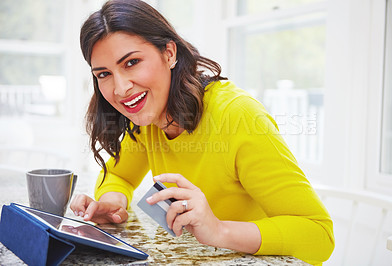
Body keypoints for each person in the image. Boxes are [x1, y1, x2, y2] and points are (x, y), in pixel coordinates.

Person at [70, 0, 335, 264]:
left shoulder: (238, 116)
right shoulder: (147, 118)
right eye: (104, 74)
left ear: (169, 53)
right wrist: (113, 204)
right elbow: (119, 174)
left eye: (132, 62)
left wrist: (219, 230)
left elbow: (319, 235)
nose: (120, 88)